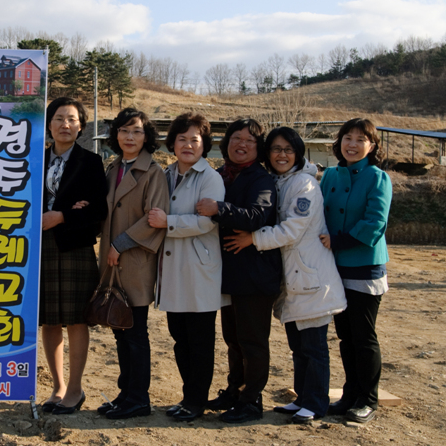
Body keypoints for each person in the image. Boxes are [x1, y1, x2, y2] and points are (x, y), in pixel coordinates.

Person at [223, 127, 346, 424]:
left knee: (314, 346)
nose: (282, 155)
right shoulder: (280, 181)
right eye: (276, 149)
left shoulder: (304, 184)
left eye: (288, 150)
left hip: (310, 277)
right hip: (294, 278)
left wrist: (253, 238)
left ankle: (315, 403)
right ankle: (302, 398)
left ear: (298, 153)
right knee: (299, 346)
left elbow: (292, 230)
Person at [196, 118, 282, 423]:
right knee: (233, 338)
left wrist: (220, 209)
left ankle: (251, 400)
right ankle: (235, 390)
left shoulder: (261, 179)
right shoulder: (223, 174)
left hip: (255, 275)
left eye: (249, 140)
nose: (241, 144)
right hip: (231, 273)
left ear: (258, 148)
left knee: (252, 341)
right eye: (236, 138)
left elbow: (258, 215)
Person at [148, 113, 225, 422]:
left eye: (195, 139)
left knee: (200, 341)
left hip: (198, 269)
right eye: (182, 139)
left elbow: (208, 222)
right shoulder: (167, 174)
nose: (188, 145)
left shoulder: (210, 178)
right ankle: (187, 396)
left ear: (204, 144)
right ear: (173, 143)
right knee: (180, 338)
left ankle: (196, 401)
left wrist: (168, 222)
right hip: (172, 268)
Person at [96, 108, 168, 420]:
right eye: (124, 130)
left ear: (146, 137)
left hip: (134, 261)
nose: (130, 136)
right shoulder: (114, 168)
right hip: (111, 261)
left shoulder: (153, 172)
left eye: (137, 131)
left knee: (135, 333)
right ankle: (125, 394)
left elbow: (154, 218)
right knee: (120, 330)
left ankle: (139, 398)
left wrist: (119, 245)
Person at [320, 118, 392, 424]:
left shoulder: (378, 178)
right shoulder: (330, 175)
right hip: (335, 266)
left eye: (360, 139)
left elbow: (375, 222)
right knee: (345, 336)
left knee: (363, 336)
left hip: (364, 265)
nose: (352, 144)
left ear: (371, 146)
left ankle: (368, 399)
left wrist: (339, 241)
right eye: (347, 138)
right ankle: (350, 394)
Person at [40, 97, 108, 415]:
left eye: (71, 119)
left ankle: (76, 389)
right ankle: (58, 387)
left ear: (81, 126)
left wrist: (64, 215)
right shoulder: (33, 159)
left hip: (75, 247)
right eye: (58, 118)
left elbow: (98, 210)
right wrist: (72, 207)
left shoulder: (91, 162)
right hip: (39, 246)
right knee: (49, 320)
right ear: (49, 124)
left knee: (77, 319)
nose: (65, 124)